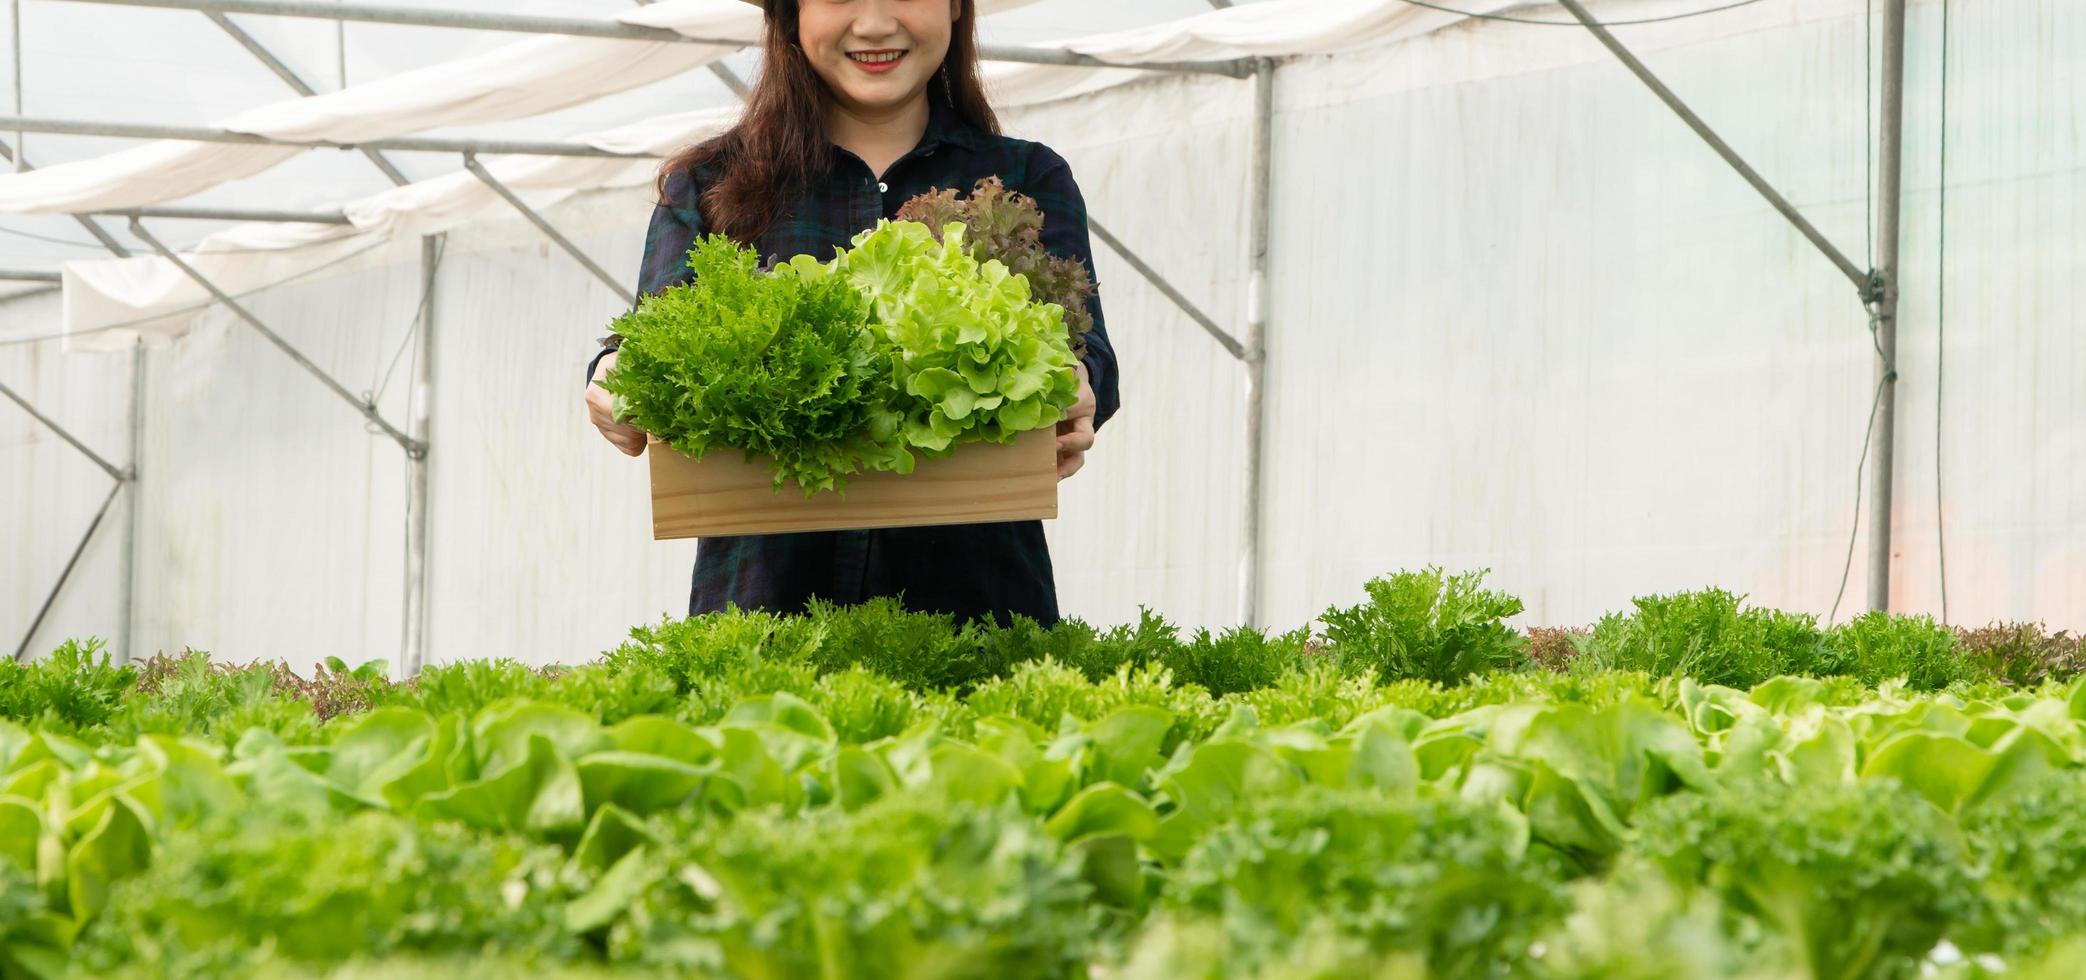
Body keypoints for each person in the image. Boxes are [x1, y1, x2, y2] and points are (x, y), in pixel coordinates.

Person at [584, 0, 1120, 627]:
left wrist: (1075, 386)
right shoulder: (710, 184)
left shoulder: (1027, 176)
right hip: (766, 609)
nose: (872, 24)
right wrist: (614, 377)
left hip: (976, 605)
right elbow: (653, 340)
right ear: (789, 13)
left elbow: (1085, 351)